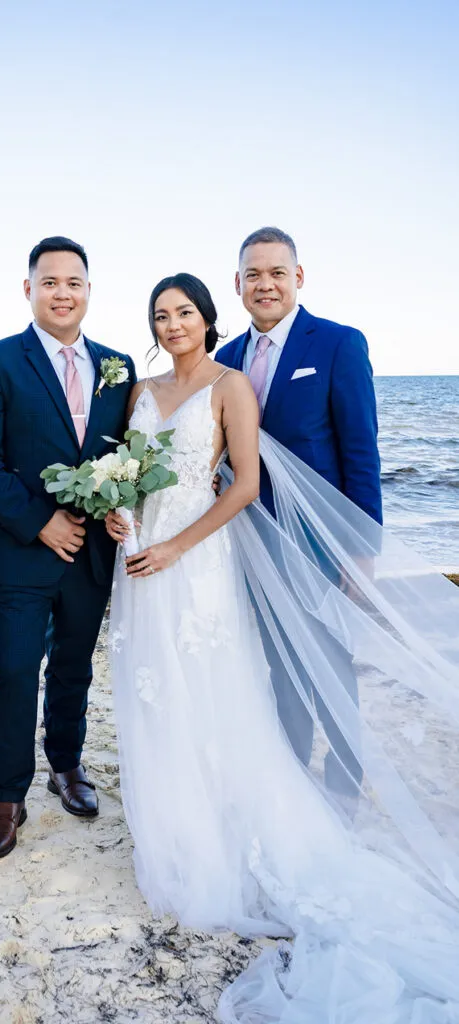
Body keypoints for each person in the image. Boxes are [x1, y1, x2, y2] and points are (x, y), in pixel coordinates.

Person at [106, 273, 459, 1021]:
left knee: (213, 684)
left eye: (184, 313)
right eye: (160, 315)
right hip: (137, 561)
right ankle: (174, 824)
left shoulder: (232, 383)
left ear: (208, 315)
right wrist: (122, 518)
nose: (173, 325)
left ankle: (251, 821)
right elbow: (131, 479)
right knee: (152, 686)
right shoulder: (138, 391)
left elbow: (239, 486)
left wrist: (174, 547)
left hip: (196, 559)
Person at [0, 236, 136, 861]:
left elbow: (126, 457)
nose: (63, 293)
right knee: (12, 670)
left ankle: (66, 765)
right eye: (50, 282)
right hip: (21, 550)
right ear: (28, 289)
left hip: (90, 554)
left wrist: (118, 508)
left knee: (74, 666)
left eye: (74, 282)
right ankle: (6, 797)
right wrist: (40, 522)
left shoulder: (119, 367)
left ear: (89, 290)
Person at [215, 227, 382, 798]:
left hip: (319, 544)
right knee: (280, 666)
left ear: (298, 278)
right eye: (254, 275)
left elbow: (362, 451)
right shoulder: (225, 357)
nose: (266, 285)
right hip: (249, 541)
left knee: (330, 665)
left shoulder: (338, 344)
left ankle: (342, 789)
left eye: (277, 273)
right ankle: (292, 782)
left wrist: (361, 551)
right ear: (237, 284)